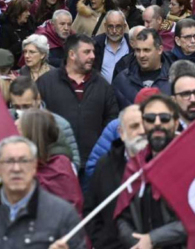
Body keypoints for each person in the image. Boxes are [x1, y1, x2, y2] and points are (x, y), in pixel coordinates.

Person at [0, 136, 85, 249]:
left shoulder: (63, 214)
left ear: (34, 166)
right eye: (9, 161)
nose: (16, 168)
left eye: (24, 161)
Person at [37, 34, 119, 169]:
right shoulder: (46, 82)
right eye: (87, 52)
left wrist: (100, 148)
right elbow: (36, 119)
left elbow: (111, 118)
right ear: (72, 54)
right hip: (56, 162)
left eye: (93, 51)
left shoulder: (102, 85)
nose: (92, 56)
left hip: (92, 163)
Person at [116, 95, 187, 249]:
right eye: (149, 118)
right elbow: (122, 218)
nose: (157, 124)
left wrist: (153, 239)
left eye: (164, 118)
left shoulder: (189, 162)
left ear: (175, 123)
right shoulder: (135, 165)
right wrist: (138, 243)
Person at [84, 105, 146, 249]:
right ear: (121, 133)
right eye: (134, 126)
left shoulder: (160, 162)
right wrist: (102, 243)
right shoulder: (105, 165)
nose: (142, 131)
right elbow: (91, 211)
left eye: (145, 124)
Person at [16, 109, 83, 215]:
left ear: (30, 135)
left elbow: (71, 208)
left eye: (18, 130)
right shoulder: (22, 162)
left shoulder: (58, 165)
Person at [9, 76, 81, 169]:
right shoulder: (5, 119)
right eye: (17, 107)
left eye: (26, 106)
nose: (21, 111)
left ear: (38, 99)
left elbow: (74, 163)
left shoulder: (59, 125)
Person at [112, 28, 172, 107]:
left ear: (160, 50)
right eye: (137, 50)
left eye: (146, 50)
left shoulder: (175, 79)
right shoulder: (122, 80)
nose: (141, 55)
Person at [91, 10, 130, 83]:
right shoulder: (95, 44)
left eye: (118, 27)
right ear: (105, 26)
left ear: (124, 27)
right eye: (110, 26)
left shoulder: (132, 44)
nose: (114, 31)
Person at [0, 0, 36, 64]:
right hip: (13, 65)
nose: (29, 14)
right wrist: (23, 43)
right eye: (26, 11)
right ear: (17, 13)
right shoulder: (5, 29)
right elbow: (4, 53)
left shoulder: (29, 25)